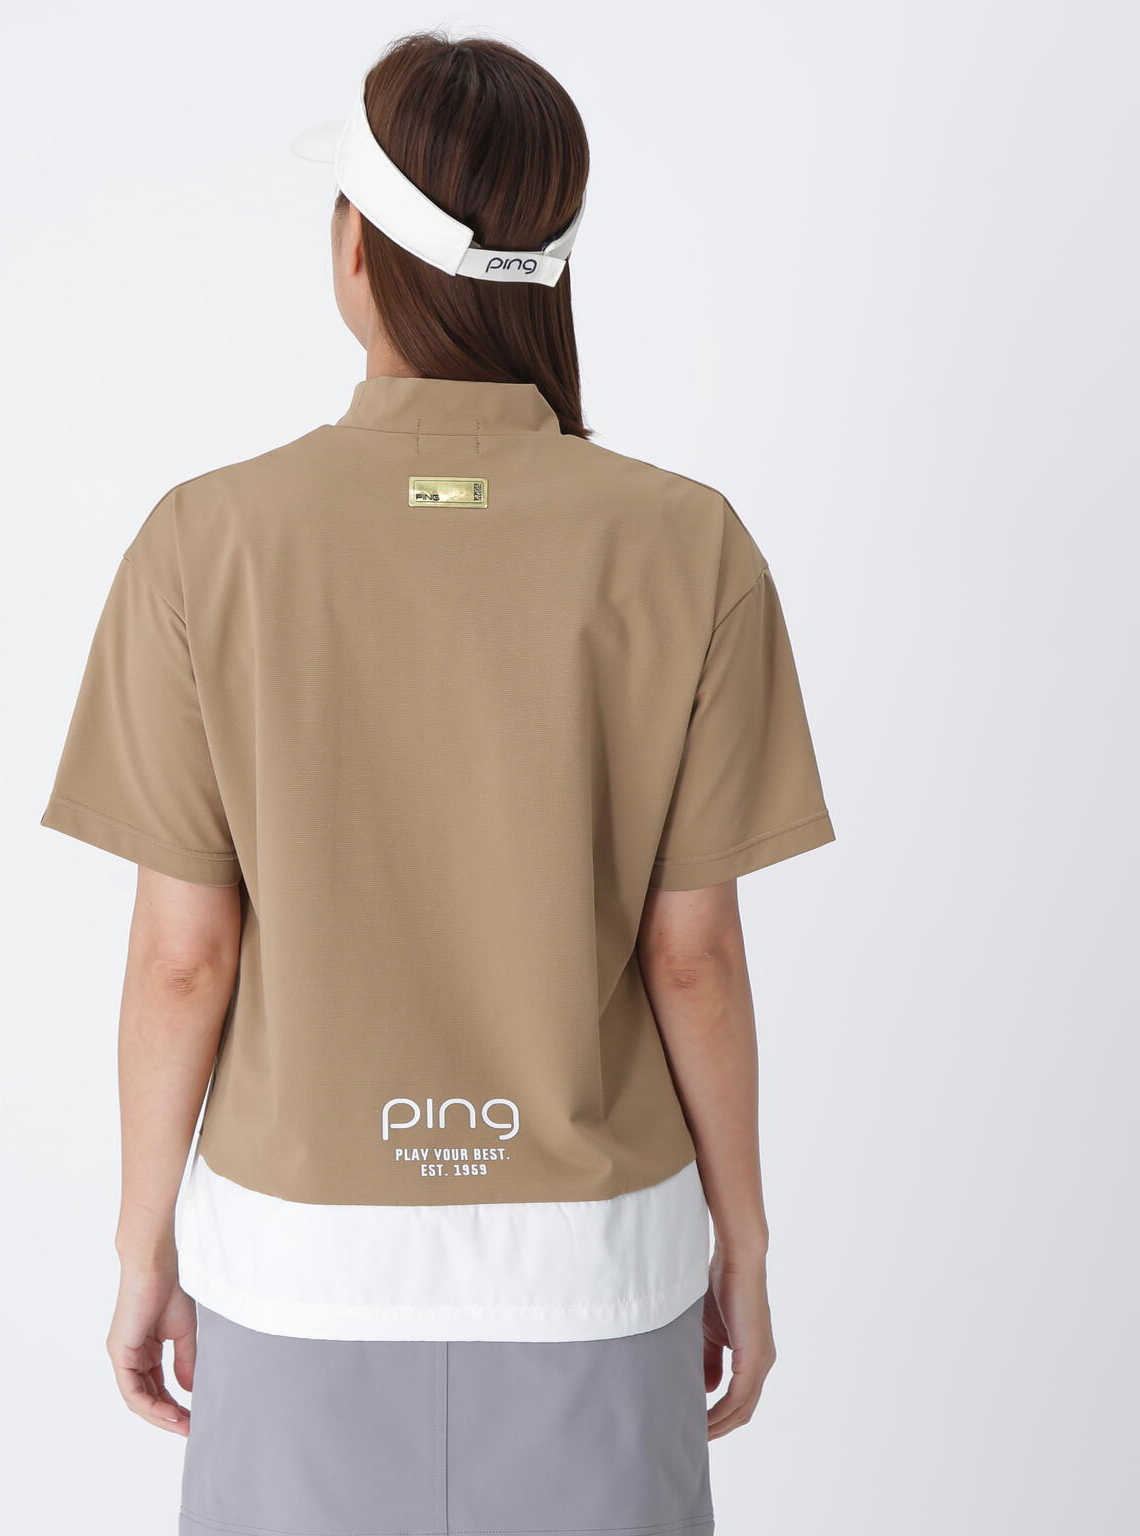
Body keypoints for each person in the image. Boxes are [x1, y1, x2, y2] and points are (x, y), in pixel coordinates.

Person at [41, 29, 835, 1536]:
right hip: (596, 1272)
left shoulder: (207, 543)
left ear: (357, 249)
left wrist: (145, 1249)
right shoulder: (687, 545)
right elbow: (696, 957)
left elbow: (182, 957)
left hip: (300, 1270)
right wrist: (743, 1243)